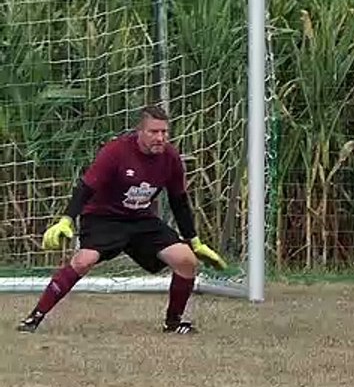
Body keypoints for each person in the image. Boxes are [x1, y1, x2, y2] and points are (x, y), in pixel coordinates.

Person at [17, 106, 228, 334]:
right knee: (83, 261)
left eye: (164, 132)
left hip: (140, 220)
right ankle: (34, 318)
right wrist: (66, 220)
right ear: (140, 131)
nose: (160, 138)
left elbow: (179, 200)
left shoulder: (171, 158)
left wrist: (194, 242)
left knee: (186, 260)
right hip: (103, 218)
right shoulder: (116, 151)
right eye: (153, 132)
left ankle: (173, 323)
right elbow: (86, 187)